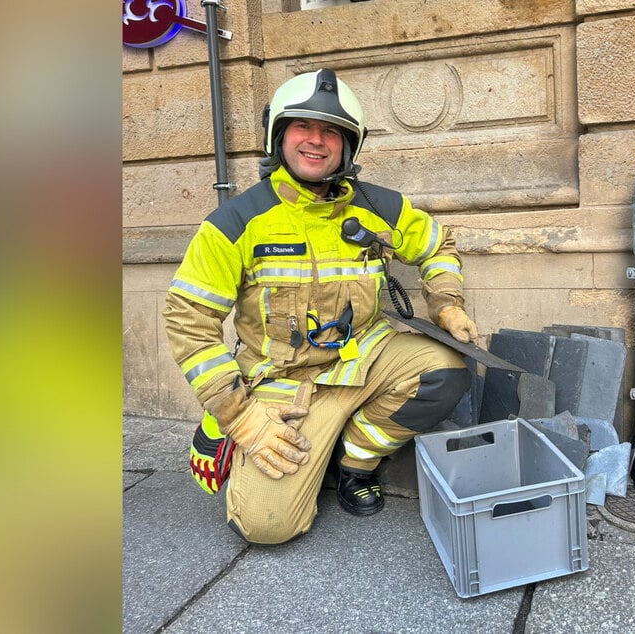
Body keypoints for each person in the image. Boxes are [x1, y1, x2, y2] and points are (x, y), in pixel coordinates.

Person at [163, 68, 478, 544]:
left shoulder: (380, 208)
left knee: (446, 368)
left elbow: (439, 245)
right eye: (303, 127)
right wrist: (240, 416)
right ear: (278, 136)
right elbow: (188, 320)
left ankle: (355, 461)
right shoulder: (237, 221)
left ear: (348, 146)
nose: (316, 140)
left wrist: (446, 304)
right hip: (280, 383)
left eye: (331, 131)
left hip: (361, 361)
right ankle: (225, 429)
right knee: (266, 528)